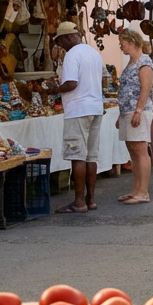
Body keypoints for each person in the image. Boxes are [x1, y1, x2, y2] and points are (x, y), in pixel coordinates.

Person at [51, 22, 105, 214]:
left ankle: (79, 202)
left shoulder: (72, 55)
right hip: (95, 108)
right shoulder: (93, 53)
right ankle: (91, 200)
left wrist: (54, 89)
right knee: (91, 156)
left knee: (77, 156)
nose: (60, 46)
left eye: (60, 42)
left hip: (78, 110)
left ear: (66, 38)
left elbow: (72, 83)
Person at [115, 28, 153, 205]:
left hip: (138, 111)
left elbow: (145, 88)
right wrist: (121, 113)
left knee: (140, 150)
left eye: (122, 42)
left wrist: (138, 110)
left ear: (131, 42)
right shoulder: (132, 62)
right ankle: (136, 189)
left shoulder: (143, 62)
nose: (121, 46)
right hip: (128, 111)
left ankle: (143, 191)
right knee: (133, 150)